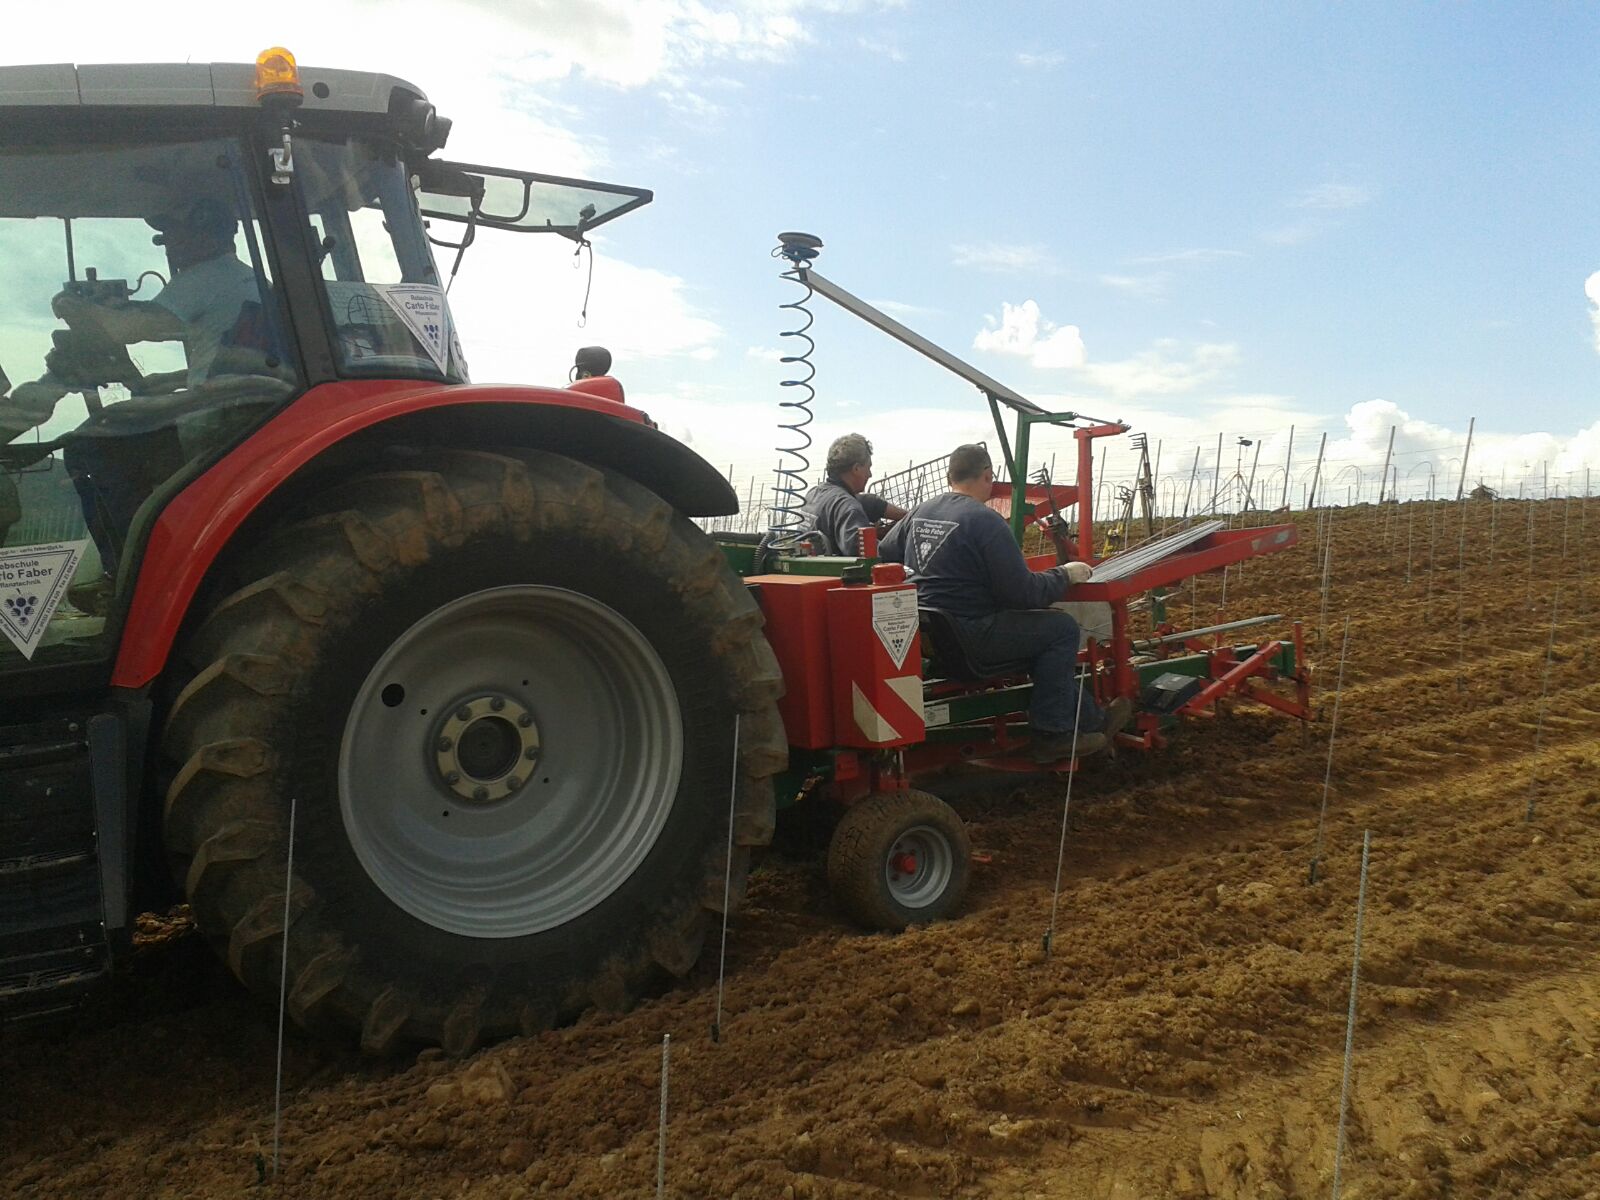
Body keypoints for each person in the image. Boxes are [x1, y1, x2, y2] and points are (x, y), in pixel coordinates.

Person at [880, 443, 1132, 763]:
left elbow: (884, 552)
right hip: (973, 637)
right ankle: (1052, 734)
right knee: (1061, 629)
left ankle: (1092, 720)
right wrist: (1064, 575)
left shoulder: (921, 512)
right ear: (988, 475)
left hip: (931, 638)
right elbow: (1023, 594)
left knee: (1033, 637)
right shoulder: (985, 521)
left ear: (949, 477)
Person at [800, 433, 908, 556]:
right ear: (856, 469)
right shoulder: (848, 508)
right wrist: (898, 545)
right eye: (868, 467)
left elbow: (867, 502)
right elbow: (867, 555)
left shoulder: (813, 494)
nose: (870, 474)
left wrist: (909, 517)